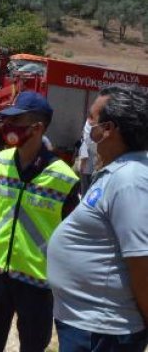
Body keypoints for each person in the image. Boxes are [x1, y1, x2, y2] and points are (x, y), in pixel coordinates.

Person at [0, 91, 80, 352]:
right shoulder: (1, 162)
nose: (9, 127)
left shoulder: (63, 178)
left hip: (37, 280)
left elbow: (71, 234)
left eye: (17, 122)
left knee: (33, 345)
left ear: (38, 127)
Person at [47, 84, 148, 352]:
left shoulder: (130, 180)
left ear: (109, 129)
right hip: (89, 325)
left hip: (104, 331)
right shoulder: (118, 172)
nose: (87, 126)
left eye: (91, 119)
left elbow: (141, 260)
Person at [77, 119, 98, 196]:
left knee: (84, 189)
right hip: (92, 170)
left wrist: (81, 168)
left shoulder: (85, 143)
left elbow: (84, 156)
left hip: (85, 171)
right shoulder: (93, 144)